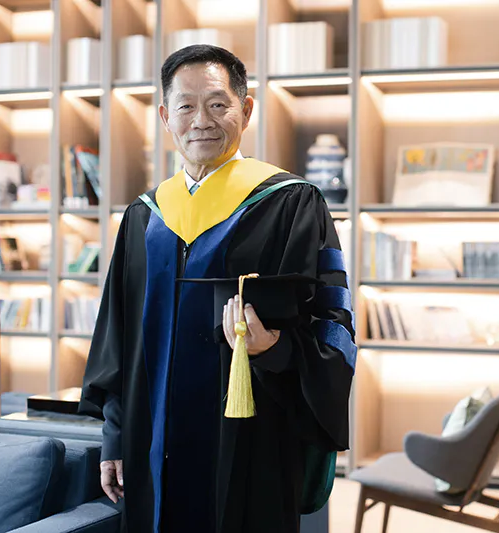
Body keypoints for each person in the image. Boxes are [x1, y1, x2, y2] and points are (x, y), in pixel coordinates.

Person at [78, 44, 356, 533]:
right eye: (185, 106)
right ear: (165, 117)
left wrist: (275, 347)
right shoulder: (145, 216)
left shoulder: (291, 203)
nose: (201, 121)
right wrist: (115, 438)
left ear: (245, 111)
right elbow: (117, 339)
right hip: (151, 441)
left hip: (252, 442)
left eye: (217, 104)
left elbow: (333, 325)